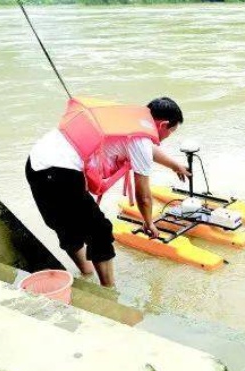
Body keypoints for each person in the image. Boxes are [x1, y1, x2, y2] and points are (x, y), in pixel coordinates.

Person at [25, 96, 189, 288]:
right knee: (100, 231)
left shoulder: (127, 120)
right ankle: (109, 292)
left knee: (65, 224)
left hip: (35, 163)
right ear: (164, 125)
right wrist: (148, 223)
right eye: (172, 131)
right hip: (59, 172)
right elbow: (143, 196)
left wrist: (174, 165)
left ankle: (86, 273)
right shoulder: (141, 140)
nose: (169, 136)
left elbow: (144, 148)